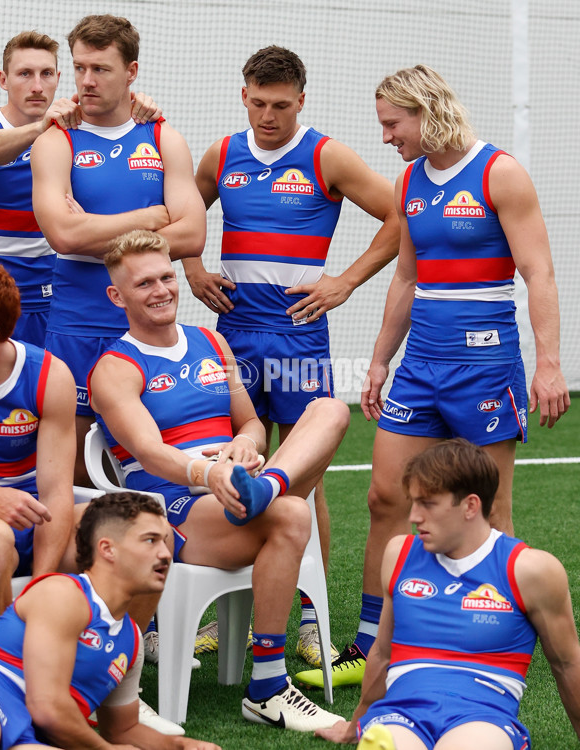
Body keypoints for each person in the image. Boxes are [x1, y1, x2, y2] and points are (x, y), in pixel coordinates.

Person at [296, 63, 570, 690]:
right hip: (421, 364)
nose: (388, 137)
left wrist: (548, 362)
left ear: (424, 112)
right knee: (385, 495)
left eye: (394, 124)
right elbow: (405, 277)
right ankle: (369, 645)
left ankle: (485, 640)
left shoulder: (499, 172)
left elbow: (540, 273)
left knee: (491, 507)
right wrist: (380, 359)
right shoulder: (410, 181)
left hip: (485, 363)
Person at [184, 44, 399, 668]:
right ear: (243, 95)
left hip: (300, 333)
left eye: (280, 105)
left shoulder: (324, 153)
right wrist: (193, 266)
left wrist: (346, 282)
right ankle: (217, 618)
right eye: (258, 103)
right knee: (226, 466)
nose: (268, 116)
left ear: (301, 100)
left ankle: (307, 620)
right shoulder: (223, 153)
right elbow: (186, 209)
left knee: (302, 482)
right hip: (234, 333)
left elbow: (398, 215)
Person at [87, 228, 350, 731]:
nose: (162, 290)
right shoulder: (114, 368)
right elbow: (148, 452)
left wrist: (246, 446)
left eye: (167, 276)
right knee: (294, 513)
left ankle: (267, 486)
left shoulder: (211, 340)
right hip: (175, 509)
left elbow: (249, 422)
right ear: (117, 296)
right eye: (145, 284)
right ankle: (269, 688)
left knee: (330, 409)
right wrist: (211, 472)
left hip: (238, 486)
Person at [30, 14, 206, 486]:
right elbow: (63, 237)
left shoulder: (164, 138)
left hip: (150, 325)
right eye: (80, 67)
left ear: (131, 71)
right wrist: (148, 218)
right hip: (76, 325)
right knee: (76, 474)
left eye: (101, 69)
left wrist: (93, 228)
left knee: (159, 457)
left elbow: (193, 235)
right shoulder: (55, 140)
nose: (86, 80)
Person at [316, 438, 580, 749]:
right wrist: (355, 725)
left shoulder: (530, 570)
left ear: (470, 505)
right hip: (401, 713)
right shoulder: (399, 554)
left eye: (427, 504)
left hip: (483, 717)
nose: (414, 516)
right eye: (413, 502)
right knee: (384, 743)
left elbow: (567, 664)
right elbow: (383, 654)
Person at [0, 490, 221, 750]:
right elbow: (47, 707)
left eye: (165, 541)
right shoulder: (63, 594)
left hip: (31, 737)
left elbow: (122, 730)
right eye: (150, 541)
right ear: (108, 549)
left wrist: (179, 746)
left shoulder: (131, 642)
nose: (165, 554)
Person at [0, 30, 160, 348]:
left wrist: (137, 102)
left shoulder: (73, 127)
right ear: (3, 79)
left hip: (54, 294)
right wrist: (38, 128)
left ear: (58, 77)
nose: (37, 86)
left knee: (47, 391)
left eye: (46, 73)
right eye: (24, 74)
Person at [0, 260, 75, 641]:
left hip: (32, 514)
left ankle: (119, 688)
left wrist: (42, 581)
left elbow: (56, 491)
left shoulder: (49, 375)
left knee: (133, 532)